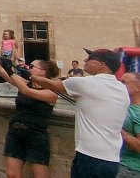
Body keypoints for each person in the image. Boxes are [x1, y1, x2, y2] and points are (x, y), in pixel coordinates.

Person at [31, 48, 129, 178]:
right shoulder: (122, 88)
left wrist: (31, 75)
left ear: (102, 64)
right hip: (112, 159)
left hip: (89, 157)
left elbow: (51, 85)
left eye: (90, 58)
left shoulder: (85, 83)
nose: (85, 60)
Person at [0, 55, 60, 178]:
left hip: (37, 134)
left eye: (32, 66)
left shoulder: (51, 93)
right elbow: (1, 72)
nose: (28, 68)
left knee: (40, 175)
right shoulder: (26, 83)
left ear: (42, 71)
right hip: (15, 131)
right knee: (12, 174)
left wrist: (11, 71)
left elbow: (27, 92)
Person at [121, 73, 140, 177]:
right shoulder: (125, 107)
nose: (120, 84)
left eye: (124, 82)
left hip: (130, 168)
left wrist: (118, 129)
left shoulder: (138, 113)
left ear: (137, 88)